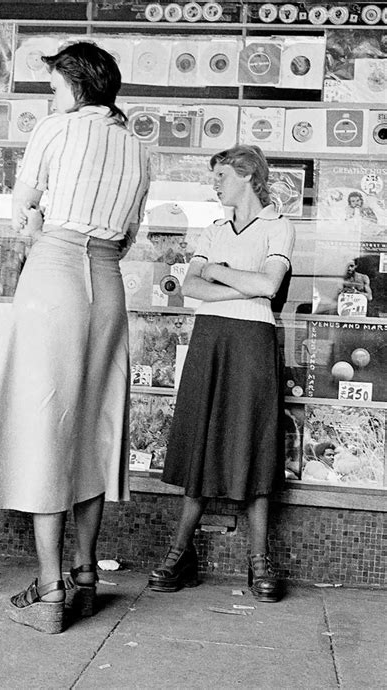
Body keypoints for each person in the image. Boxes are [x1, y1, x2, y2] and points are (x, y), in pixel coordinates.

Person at [0, 42, 150, 634]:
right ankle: (87, 576)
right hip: (108, 279)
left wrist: (44, 225)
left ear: (74, 85)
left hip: (57, 270)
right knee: (95, 425)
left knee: (46, 422)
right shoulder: (140, 146)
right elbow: (128, 236)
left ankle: (49, 592)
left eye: (54, 86)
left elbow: (24, 214)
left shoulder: (57, 129)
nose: (52, 96)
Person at [148, 145, 295, 603]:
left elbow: (268, 287)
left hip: (253, 343)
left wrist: (218, 272)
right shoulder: (213, 229)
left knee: (252, 442)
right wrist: (233, 277)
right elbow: (190, 286)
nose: (214, 184)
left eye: (221, 176)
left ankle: (259, 561)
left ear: (249, 175)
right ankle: (180, 552)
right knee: (202, 442)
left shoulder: (279, 227)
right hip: (210, 340)